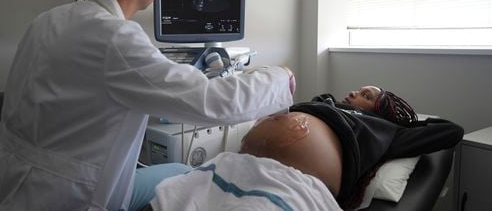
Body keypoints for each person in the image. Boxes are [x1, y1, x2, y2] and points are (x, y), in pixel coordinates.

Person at [0, 0, 295, 210]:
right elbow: (213, 101)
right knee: (189, 175)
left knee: (180, 171)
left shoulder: (49, 19)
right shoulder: (117, 40)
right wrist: (279, 78)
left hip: (13, 181)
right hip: (70, 196)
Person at [148, 86, 463, 211]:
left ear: (381, 108)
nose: (355, 92)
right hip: (238, 166)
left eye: (367, 94)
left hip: (293, 182)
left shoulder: (385, 131)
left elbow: (450, 131)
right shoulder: (324, 105)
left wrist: (405, 122)